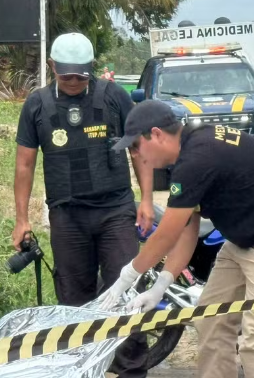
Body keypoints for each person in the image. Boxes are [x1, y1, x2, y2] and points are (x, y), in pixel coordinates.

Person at [98, 99, 254, 378]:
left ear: (156, 134)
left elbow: (167, 232)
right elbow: (186, 230)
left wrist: (128, 275)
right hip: (246, 240)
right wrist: (161, 285)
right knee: (210, 319)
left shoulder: (197, 157)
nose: (138, 156)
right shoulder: (190, 148)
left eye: (136, 146)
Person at [12, 32, 153, 378]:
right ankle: (80, 369)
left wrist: (146, 200)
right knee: (74, 299)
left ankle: (130, 371)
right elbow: (24, 164)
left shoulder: (115, 96)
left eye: (80, 74)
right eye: (66, 75)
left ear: (91, 69)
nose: (74, 81)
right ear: (51, 68)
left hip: (115, 211)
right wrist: (20, 219)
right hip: (67, 216)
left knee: (124, 294)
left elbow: (139, 150)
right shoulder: (37, 105)